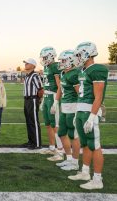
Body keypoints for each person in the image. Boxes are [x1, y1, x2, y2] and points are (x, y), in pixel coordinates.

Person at [68, 42, 108, 190]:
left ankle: (98, 179)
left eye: (78, 55)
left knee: (95, 145)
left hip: (90, 111)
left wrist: (92, 116)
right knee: (85, 144)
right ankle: (85, 172)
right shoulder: (83, 70)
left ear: (87, 53)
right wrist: (77, 112)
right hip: (81, 110)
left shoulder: (97, 69)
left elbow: (98, 97)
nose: (77, 58)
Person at [55, 50, 81, 171]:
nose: (61, 62)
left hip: (73, 107)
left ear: (71, 60)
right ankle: (69, 159)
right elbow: (60, 88)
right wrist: (56, 101)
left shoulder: (75, 73)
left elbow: (80, 93)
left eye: (63, 60)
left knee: (73, 135)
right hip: (64, 106)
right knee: (61, 133)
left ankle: (75, 162)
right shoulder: (63, 73)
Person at [39, 46, 64, 161]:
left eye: (44, 57)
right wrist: (43, 99)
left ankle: (60, 151)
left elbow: (60, 86)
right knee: (48, 124)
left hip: (54, 96)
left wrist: (56, 101)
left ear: (50, 56)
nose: (43, 59)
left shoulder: (55, 66)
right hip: (47, 96)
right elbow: (46, 84)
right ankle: (52, 147)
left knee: (56, 125)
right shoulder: (46, 67)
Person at [22, 58, 43, 149]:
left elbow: (40, 89)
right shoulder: (27, 76)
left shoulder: (35, 76)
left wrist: (39, 99)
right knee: (29, 121)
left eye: (27, 63)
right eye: (25, 63)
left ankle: (37, 144)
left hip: (33, 99)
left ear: (33, 65)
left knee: (34, 121)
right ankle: (31, 141)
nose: (25, 64)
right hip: (26, 100)